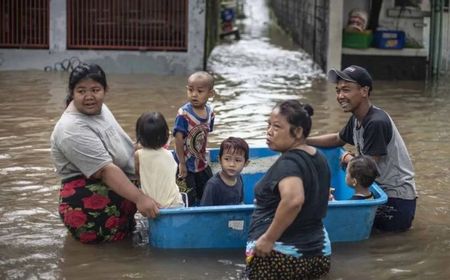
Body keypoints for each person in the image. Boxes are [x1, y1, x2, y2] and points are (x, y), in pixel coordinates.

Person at [50, 63, 160, 244]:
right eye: (81, 91)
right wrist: (140, 198)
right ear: (72, 92)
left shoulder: (100, 109)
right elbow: (105, 170)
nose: (89, 97)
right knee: (111, 257)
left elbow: (121, 146)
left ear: (105, 90)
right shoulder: (70, 128)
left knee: (127, 247)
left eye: (95, 90)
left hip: (119, 195)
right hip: (91, 209)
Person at [306, 65, 417, 232]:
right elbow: (338, 139)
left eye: (346, 90)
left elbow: (367, 169)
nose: (340, 96)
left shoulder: (375, 122)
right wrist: (305, 141)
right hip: (378, 192)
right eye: (338, 91)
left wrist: (348, 159)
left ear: (364, 91)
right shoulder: (358, 118)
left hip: (395, 200)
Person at [245, 100, 331, 280]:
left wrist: (269, 238)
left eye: (276, 127)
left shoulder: (288, 163)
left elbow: (293, 200)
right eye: (268, 125)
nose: (269, 131)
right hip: (319, 251)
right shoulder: (318, 157)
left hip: (282, 255)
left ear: (298, 131)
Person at [173, 71, 215, 206]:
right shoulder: (184, 114)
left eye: (200, 91)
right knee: (187, 198)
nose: (194, 94)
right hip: (185, 164)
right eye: (190, 90)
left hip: (201, 162)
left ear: (210, 94)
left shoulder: (210, 113)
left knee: (209, 191)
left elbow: (204, 135)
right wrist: (182, 163)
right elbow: (178, 139)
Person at [134, 112, 184, 208]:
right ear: (165, 135)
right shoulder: (169, 155)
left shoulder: (138, 155)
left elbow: (137, 174)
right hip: (175, 203)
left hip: (153, 206)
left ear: (139, 136)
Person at [200, 137, 249, 206]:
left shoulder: (239, 178)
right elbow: (204, 211)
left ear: (246, 163)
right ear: (219, 160)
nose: (232, 164)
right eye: (227, 159)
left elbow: (240, 203)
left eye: (237, 160)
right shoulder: (212, 185)